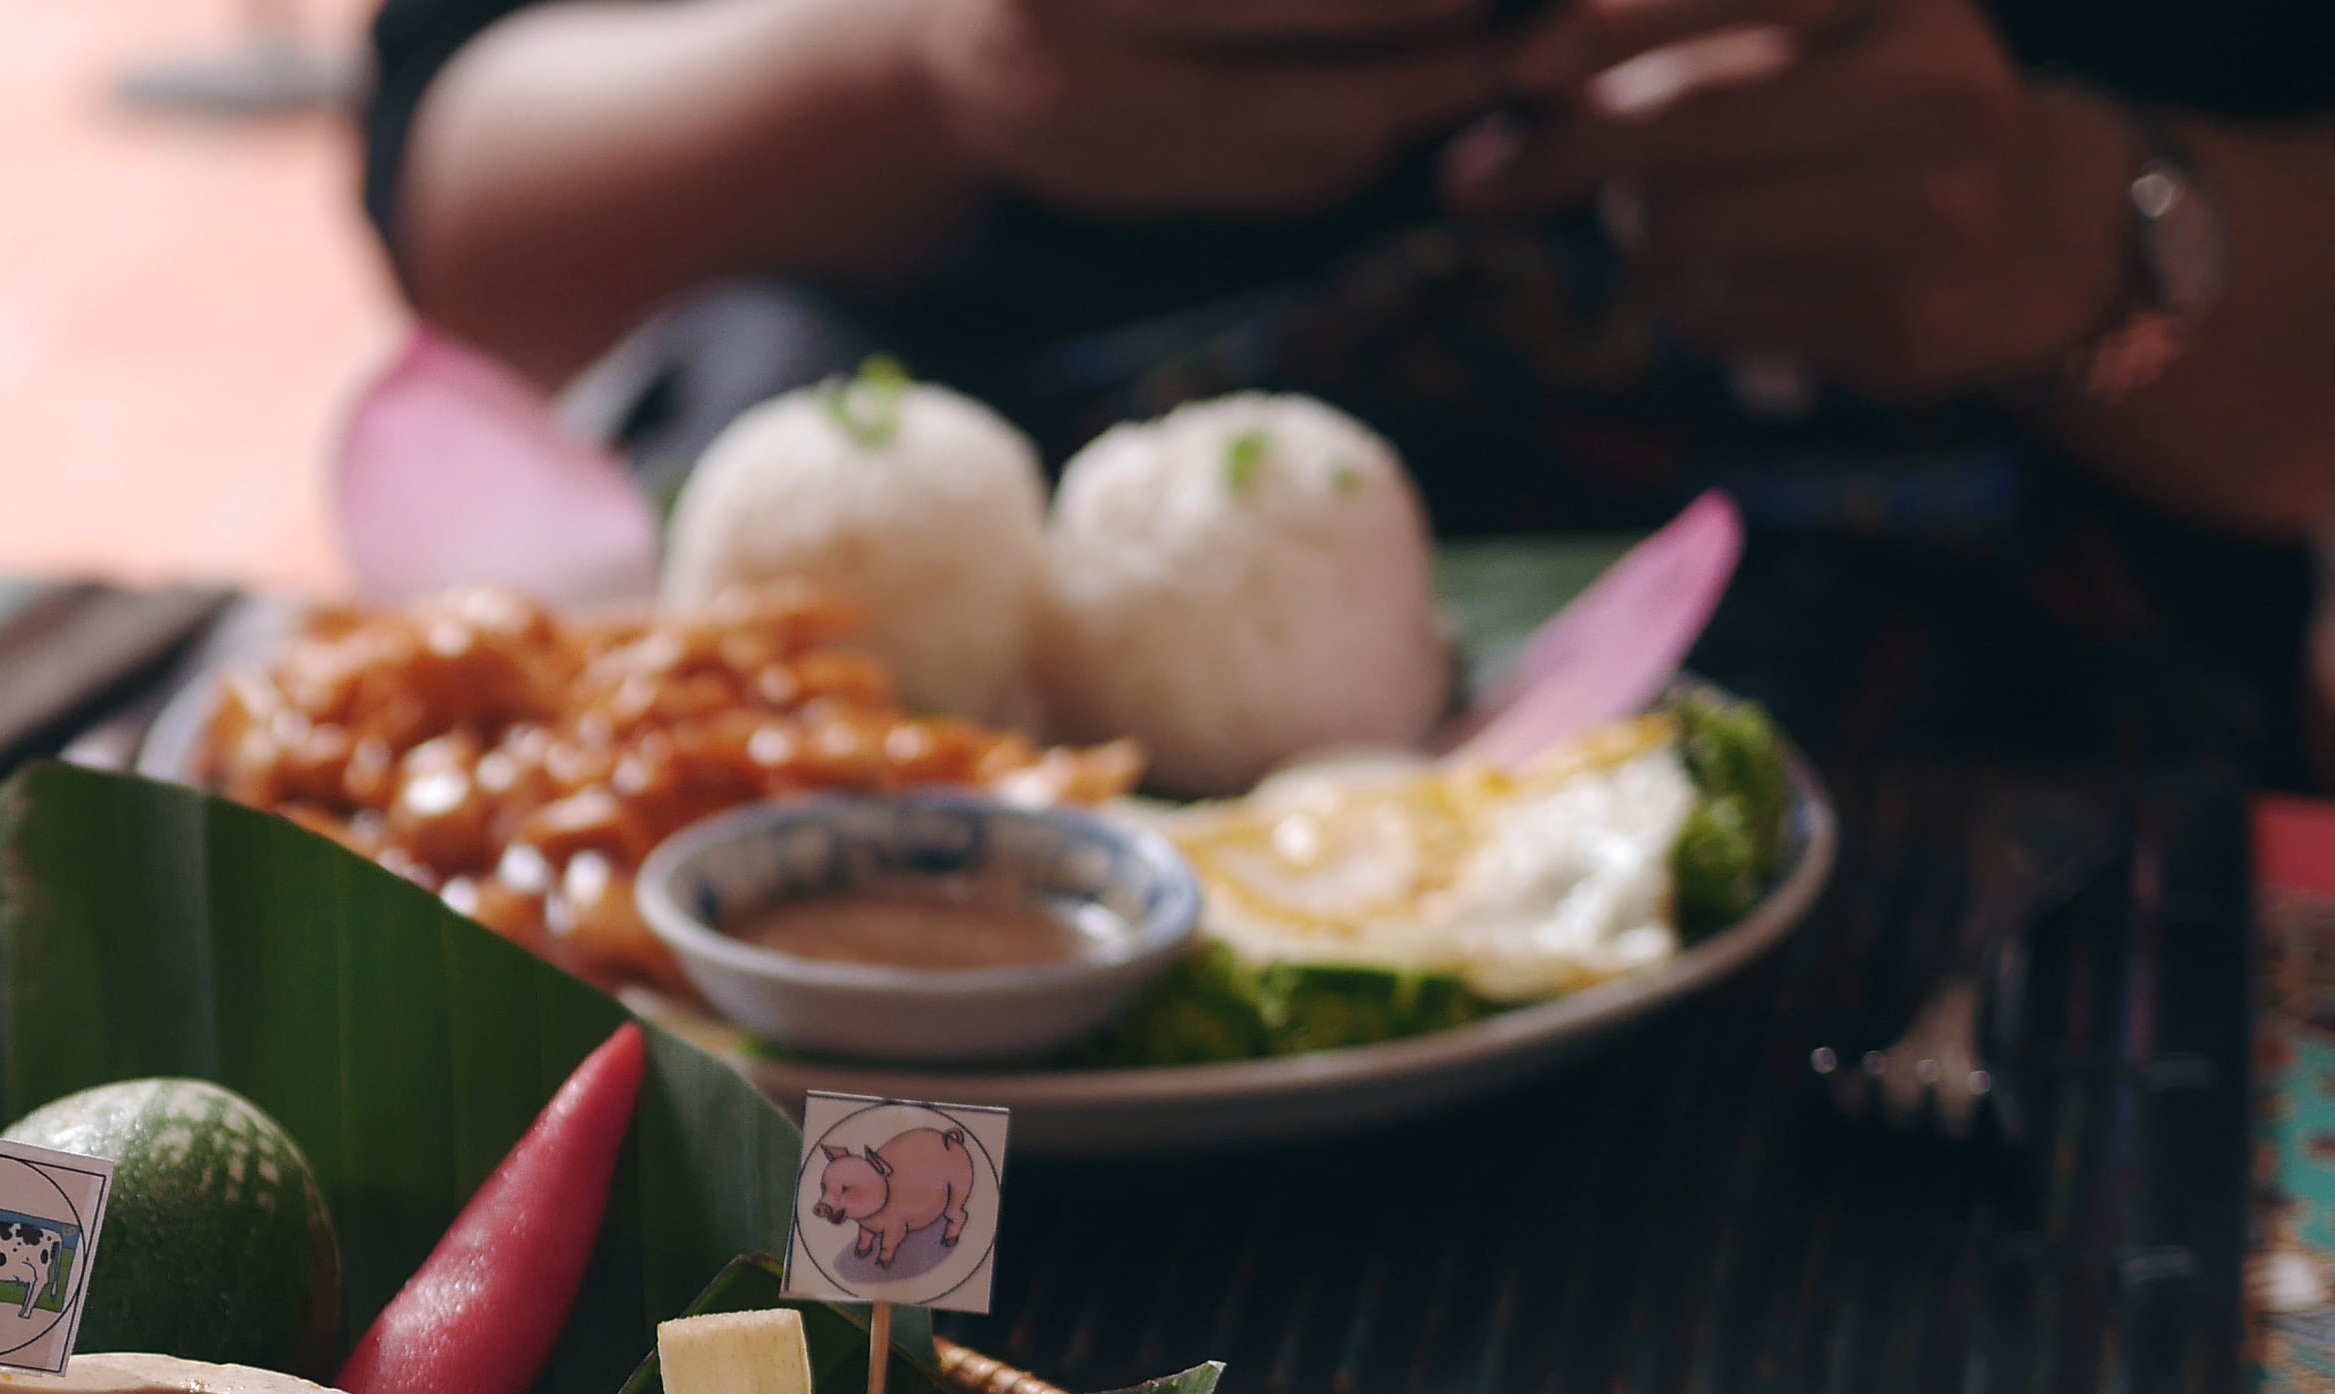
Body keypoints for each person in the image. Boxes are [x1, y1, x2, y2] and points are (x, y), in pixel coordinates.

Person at [364, 0, 2335, 769]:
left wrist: (2100, 245)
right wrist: (923, 74)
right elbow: (465, 205)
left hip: (1990, 873)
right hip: (872, 858)